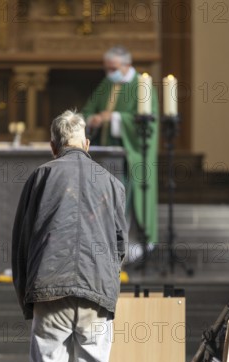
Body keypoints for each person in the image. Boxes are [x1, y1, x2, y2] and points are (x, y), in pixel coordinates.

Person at [12, 110, 127, 362]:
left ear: (53, 145)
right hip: (97, 292)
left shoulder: (41, 176)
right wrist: (106, 284)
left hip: (50, 289)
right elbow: (121, 246)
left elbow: (21, 243)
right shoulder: (112, 182)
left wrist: (27, 296)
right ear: (87, 145)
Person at [82, 45, 159, 262]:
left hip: (131, 156)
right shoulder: (107, 84)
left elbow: (147, 125)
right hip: (108, 157)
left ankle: (133, 248)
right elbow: (88, 109)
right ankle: (107, 247)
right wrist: (93, 119)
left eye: (113, 68)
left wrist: (113, 118)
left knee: (130, 200)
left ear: (127, 65)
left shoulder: (143, 87)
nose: (109, 73)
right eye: (107, 68)